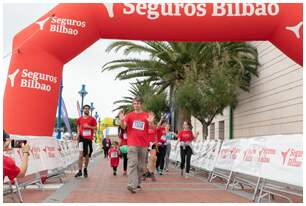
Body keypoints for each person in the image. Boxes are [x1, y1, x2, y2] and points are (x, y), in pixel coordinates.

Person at [119, 97, 154, 193]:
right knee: (132, 163)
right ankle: (131, 184)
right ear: (133, 105)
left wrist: (151, 122)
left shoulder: (146, 115)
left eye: (138, 103)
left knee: (141, 166)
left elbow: (151, 128)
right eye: (134, 103)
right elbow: (124, 126)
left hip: (143, 144)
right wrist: (122, 120)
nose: (136, 105)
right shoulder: (129, 115)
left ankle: (137, 183)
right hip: (132, 144)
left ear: (141, 104)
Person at [75, 104, 97, 178]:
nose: (86, 110)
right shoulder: (79, 119)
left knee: (87, 155)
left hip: (88, 139)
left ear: (89, 110)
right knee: (80, 155)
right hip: (81, 138)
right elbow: (78, 126)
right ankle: (80, 171)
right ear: (83, 110)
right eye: (85, 108)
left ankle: (85, 169)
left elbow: (96, 128)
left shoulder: (92, 119)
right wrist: (78, 133)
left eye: (88, 109)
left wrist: (89, 126)